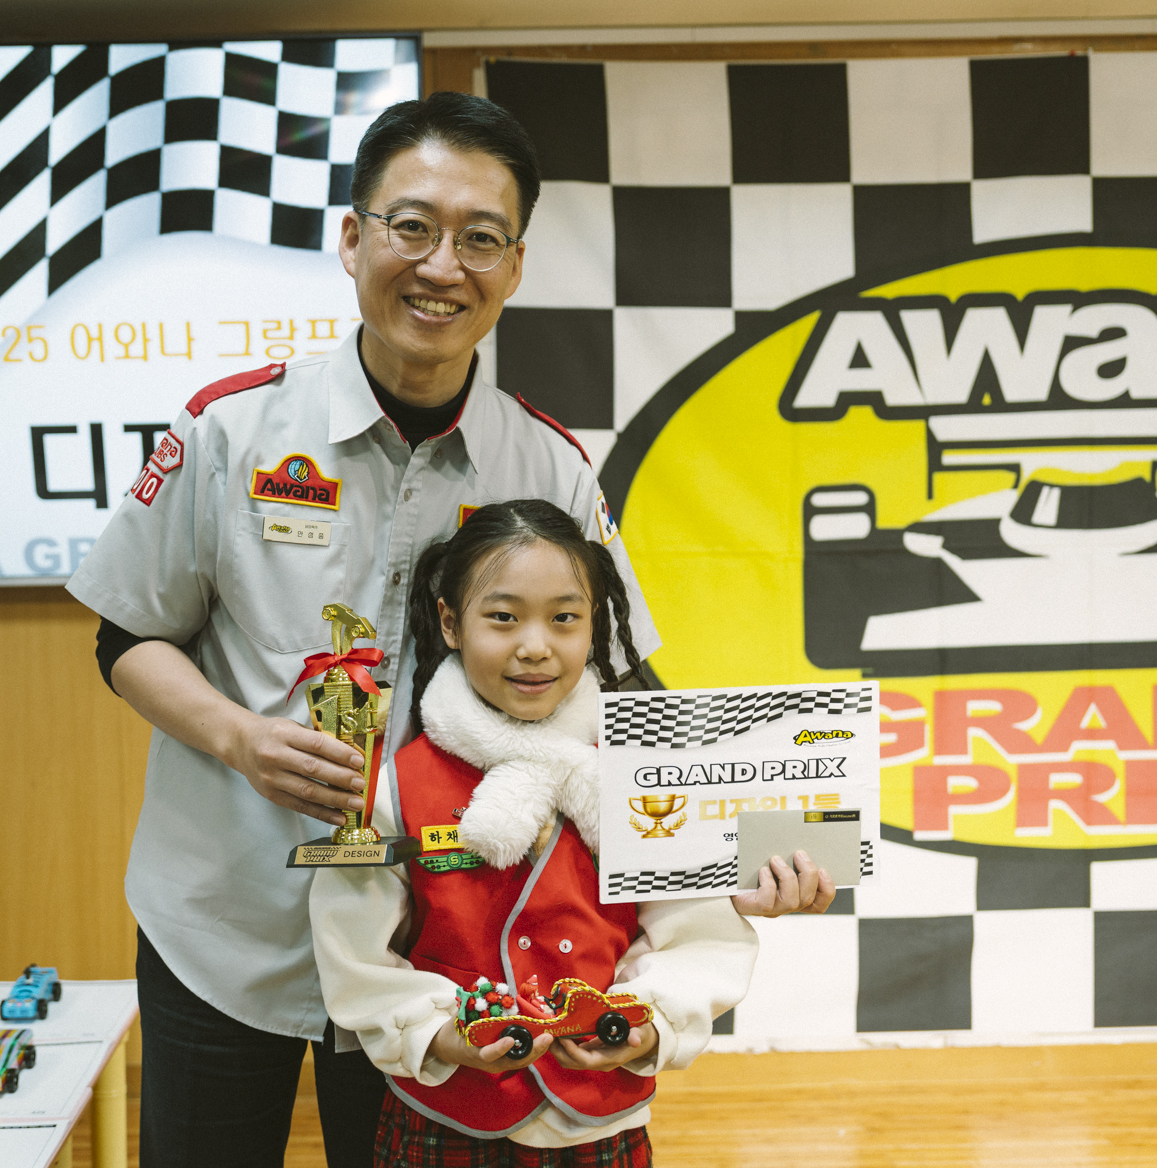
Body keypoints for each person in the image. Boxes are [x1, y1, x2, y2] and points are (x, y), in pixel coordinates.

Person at [66, 92, 832, 1168]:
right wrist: (239, 738)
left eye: (480, 239)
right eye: (412, 226)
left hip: (428, 954)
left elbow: (624, 688)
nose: (441, 266)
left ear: (513, 268)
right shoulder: (232, 429)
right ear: (352, 239)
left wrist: (753, 850)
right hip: (223, 920)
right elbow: (126, 639)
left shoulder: (548, 465)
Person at [311, 499, 760, 1165]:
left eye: (564, 618)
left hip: (598, 1119)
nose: (534, 645)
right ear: (450, 622)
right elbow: (354, 951)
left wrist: (647, 1022)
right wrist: (439, 1035)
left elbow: (699, 933)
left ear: (594, 625)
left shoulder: (640, 777)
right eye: (503, 616)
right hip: (445, 1113)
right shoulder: (395, 786)